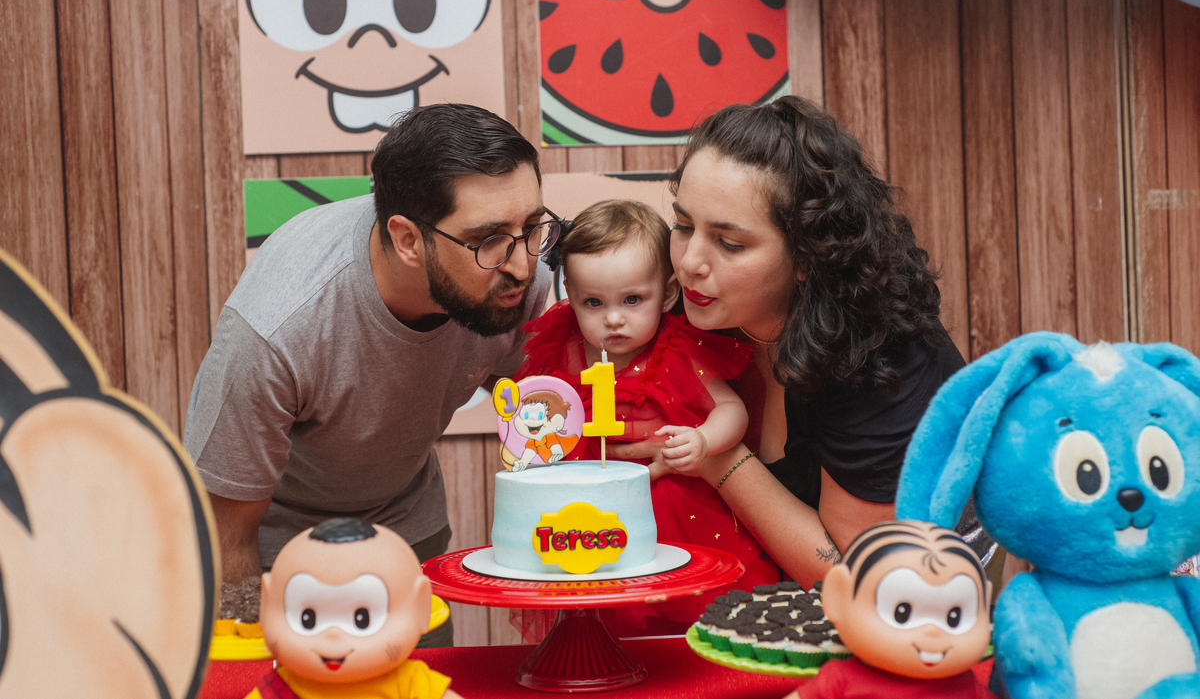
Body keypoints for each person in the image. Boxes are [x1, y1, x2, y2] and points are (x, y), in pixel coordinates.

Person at [184, 104, 556, 646]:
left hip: (405, 519)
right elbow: (225, 531)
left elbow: (544, 419)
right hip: (276, 548)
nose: (524, 265)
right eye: (488, 240)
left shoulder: (515, 282)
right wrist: (248, 656)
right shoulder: (278, 328)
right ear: (407, 240)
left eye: (532, 227)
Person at [609, 96, 970, 588]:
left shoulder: (881, 358)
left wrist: (718, 458)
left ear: (808, 256)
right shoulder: (685, 306)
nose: (690, 262)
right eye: (684, 226)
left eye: (730, 243)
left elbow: (859, 576)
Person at [514, 199, 778, 629]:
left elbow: (732, 409)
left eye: (633, 299)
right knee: (601, 619)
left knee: (687, 616)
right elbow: (534, 420)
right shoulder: (562, 352)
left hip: (675, 509)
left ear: (668, 294)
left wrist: (704, 440)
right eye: (593, 302)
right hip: (588, 514)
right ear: (571, 297)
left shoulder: (677, 350)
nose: (614, 319)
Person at [249, 518, 462, 699]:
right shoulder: (278, 687)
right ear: (265, 610)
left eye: (362, 619)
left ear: (421, 610)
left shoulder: (410, 682)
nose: (333, 635)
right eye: (308, 619)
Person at [784, 520, 996, 698]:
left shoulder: (968, 686)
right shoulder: (841, 679)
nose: (932, 631)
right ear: (837, 598)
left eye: (954, 617)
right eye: (902, 613)